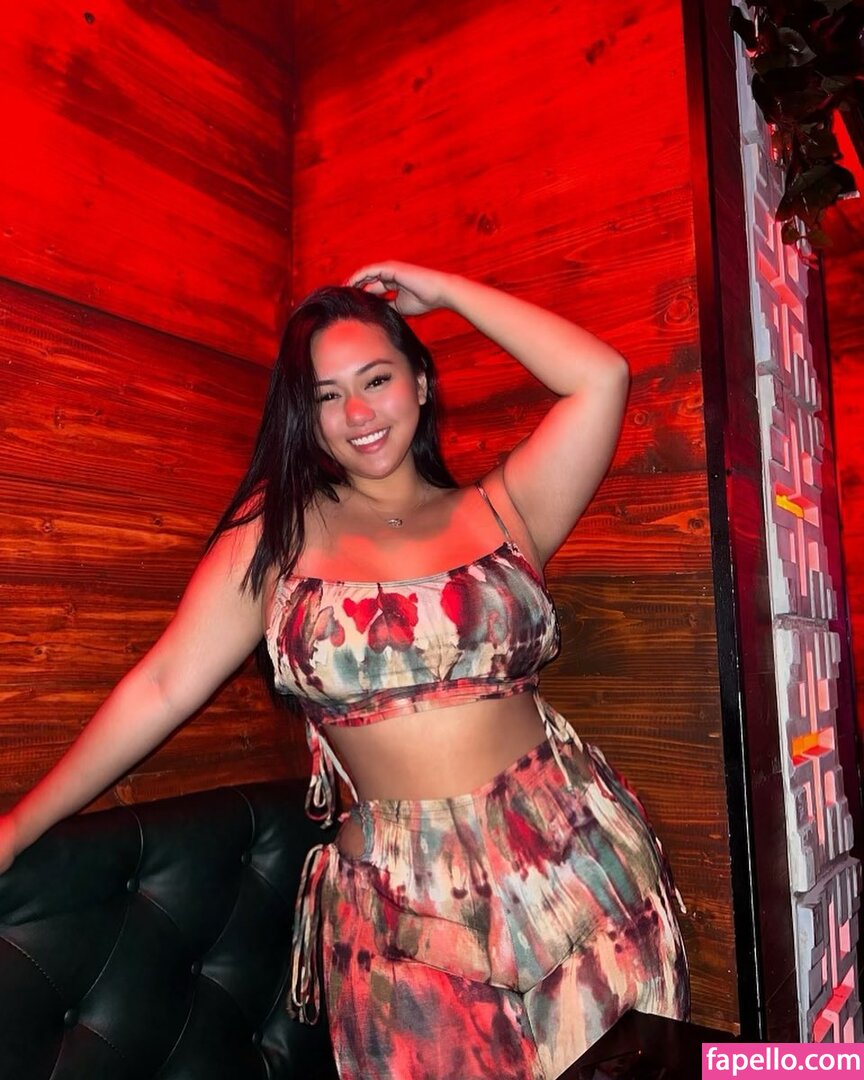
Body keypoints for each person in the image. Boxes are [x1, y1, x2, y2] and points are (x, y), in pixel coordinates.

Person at [0, 262, 688, 1079]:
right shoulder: (277, 535)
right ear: (307, 415)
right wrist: (17, 827)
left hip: (576, 864)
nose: (358, 413)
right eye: (328, 395)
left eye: (377, 379)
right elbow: (162, 686)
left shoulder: (504, 509)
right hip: (403, 912)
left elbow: (601, 376)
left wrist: (448, 293)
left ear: (421, 384)